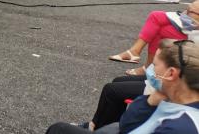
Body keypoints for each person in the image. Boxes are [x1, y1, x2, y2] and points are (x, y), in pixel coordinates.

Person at [46, 39, 199, 133]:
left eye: (155, 65)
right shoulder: (174, 100)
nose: (151, 70)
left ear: (171, 73)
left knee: (59, 129)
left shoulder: (179, 127)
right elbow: (126, 126)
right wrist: (152, 99)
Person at [109, 0, 199, 76]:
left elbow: (193, 21)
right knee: (157, 22)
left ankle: (138, 56)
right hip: (191, 29)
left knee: (156, 19)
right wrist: (190, 10)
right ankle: (146, 63)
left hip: (194, 38)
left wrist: (193, 11)